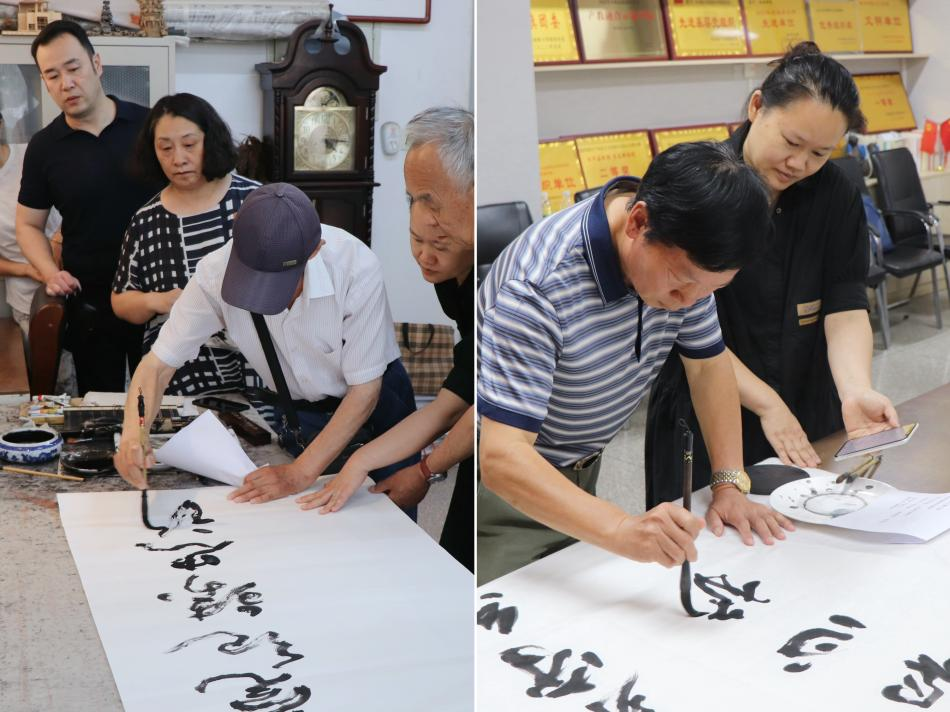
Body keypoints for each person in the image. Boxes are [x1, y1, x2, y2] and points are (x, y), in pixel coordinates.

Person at [477, 141, 795, 585]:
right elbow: (502, 457)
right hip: (510, 490)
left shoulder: (688, 263)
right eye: (681, 284)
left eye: (711, 290)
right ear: (638, 222)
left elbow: (707, 366)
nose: (689, 302)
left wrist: (728, 481)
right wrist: (620, 529)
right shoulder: (537, 287)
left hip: (581, 467)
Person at [645, 42, 899, 508]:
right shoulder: (700, 184)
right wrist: (766, 403)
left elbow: (845, 305)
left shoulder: (835, 194)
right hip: (708, 407)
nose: (799, 164)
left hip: (806, 404)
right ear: (757, 106)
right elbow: (681, 319)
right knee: (706, 538)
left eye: (819, 153)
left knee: (814, 531)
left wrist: (855, 390)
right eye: (791, 142)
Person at [113, 182, 418, 510]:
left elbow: (365, 391)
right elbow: (157, 365)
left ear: (314, 250)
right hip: (303, 413)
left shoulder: (355, 268)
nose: (265, 295)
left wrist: (300, 472)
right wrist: (134, 433)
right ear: (235, 228)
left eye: (277, 283)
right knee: (311, 521)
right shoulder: (214, 274)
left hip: (377, 407)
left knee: (390, 518)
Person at [296, 107, 475, 571]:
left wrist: (424, 469)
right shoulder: (450, 269)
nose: (424, 253)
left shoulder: (492, 275)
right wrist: (360, 463)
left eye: (428, 198)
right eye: (411, 198)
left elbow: (466, 405)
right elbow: (459, 396)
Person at [15, 20, 161, 394]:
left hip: (159, 292)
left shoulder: (149, 126)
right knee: (100, 405)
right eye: (53, 75)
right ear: (45, 82)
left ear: (96, 64)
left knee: (165, 404)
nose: (66, 83)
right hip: (91, 299)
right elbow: (28, 224)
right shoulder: (45, 147)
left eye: (74, 68)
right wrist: (50, 272)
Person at [112, 93, 261, 396]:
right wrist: (160, 301)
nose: (178, 159)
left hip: (256, 368)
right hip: (178, 376)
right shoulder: (147, 220)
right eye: (165, 148)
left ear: (211, 141)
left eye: (189, 145)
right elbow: (121, 301)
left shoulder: (255, 203)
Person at [0, 109, 61, 335]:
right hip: (30, 301)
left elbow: (79, 197)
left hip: (81, 279)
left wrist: (59, 239)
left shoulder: (32, 153)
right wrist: (27, 270)